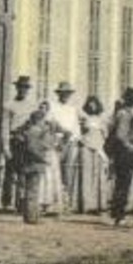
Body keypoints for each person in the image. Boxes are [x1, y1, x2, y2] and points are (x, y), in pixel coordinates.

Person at [106, 89, 133, 225]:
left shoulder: (132, 114)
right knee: (123, 183)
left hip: (127, 151)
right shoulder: (124, 114)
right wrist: (131, 146)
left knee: (125, 183)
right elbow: (120, 135)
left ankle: (120, 212)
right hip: (124, 152)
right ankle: (119, 214)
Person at [0, 75, 36, 213]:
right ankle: (7, 203)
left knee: (24, 173)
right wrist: (6, 146)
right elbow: (5, 126)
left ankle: (21, 202)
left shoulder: (32, 106)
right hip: (14, 141)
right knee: (10, 172)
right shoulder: (9, 105)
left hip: (26, 141)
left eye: (26, 88)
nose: (23, 90)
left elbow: (34, 125)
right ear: (16, 88)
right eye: (21, 87)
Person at [20, 103, 56, 225]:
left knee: (31, 190)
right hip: (34, 164)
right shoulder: (34, 131)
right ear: (38, 120)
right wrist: (43, 159)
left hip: (30, 163)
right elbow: (32, 148)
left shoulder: (30, 131)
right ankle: (31, 217)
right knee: (33, 191)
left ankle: (31, 215)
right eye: (42, 121)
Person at [73, 95, 111, 215]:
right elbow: (79, 133)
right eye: (90, 103)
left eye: (94, 103)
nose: (92, 106)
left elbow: (106, 135)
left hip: (98, 148)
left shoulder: (102, 120)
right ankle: (86, 205)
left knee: (98, 176)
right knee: (86, 176)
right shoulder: (84, 118)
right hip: (86, 147)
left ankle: (98, 205)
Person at [47, 81, 81, 211]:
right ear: (59, 94)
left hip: (71, 142)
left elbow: (76, 127)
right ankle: (54, 202)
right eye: (63, 93)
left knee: (68, 171)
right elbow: (50, 124)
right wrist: (59, 137)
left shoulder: (72, 109)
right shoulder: (53, 107)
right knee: (55, 171)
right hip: (57, 141)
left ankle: (67, 202)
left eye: (67, 93)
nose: (65, 95)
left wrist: (74, 139)